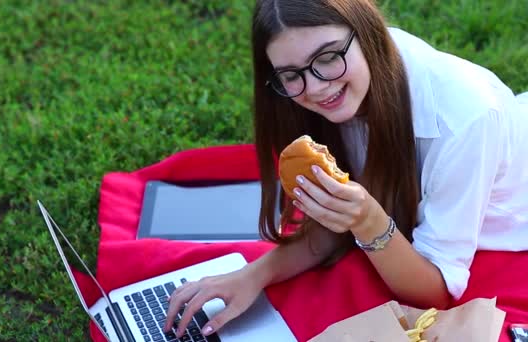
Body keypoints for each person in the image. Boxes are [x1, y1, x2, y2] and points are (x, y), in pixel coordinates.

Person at [165, 0, 528, 338]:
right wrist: (251, 276)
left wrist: (368, 220)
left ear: (366, 30)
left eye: (327, 57)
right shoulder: (339, 85)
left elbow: (434, 290)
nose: (317, 87)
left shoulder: (466, 118)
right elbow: (331, 227)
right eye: (291, 74)